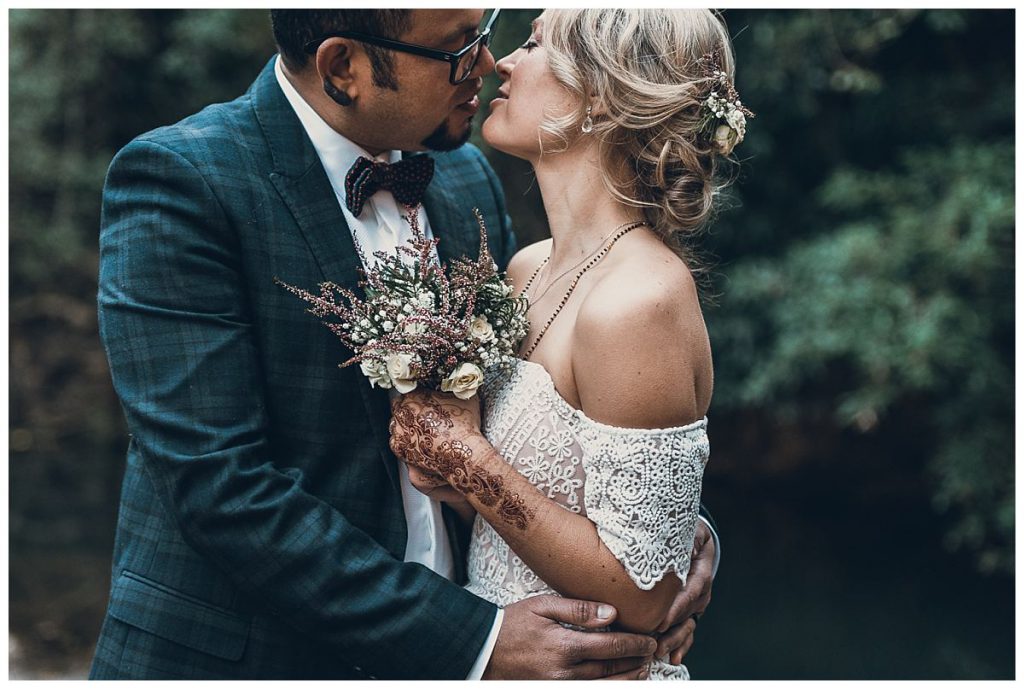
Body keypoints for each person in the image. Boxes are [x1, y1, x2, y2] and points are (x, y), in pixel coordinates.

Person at [89, 9, 718, 680]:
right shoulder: (184, 182)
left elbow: (566, 413)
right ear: (344, 68)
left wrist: (675, 536)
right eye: (455, 48)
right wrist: (475, 642)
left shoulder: (466, 178)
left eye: (488, 29)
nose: (485, 63)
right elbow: (221, 487)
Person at [390, 8, 747, 680]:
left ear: (602, 96)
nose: (501, 61)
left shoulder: (640, 301)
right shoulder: (525, 268)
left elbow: (642, 598)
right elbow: (556, 496)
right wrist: (447, 471)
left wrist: (467, 459)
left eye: (533, 43)